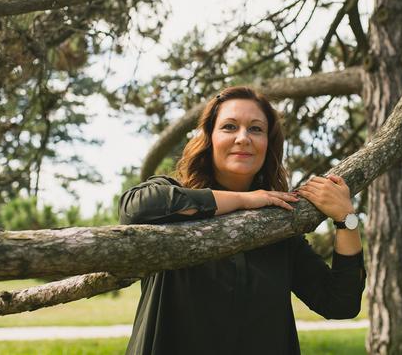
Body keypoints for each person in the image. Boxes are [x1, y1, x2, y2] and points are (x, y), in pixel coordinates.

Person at [119, 86, 366, 355]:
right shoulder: (171, 201)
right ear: (209, 138)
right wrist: (244, 200)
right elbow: (134, 209)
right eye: (229, 126)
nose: (243, 138)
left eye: (256, 129)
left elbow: (340, 303)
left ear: (268, 144)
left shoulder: (280, 226)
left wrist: (346, 220)